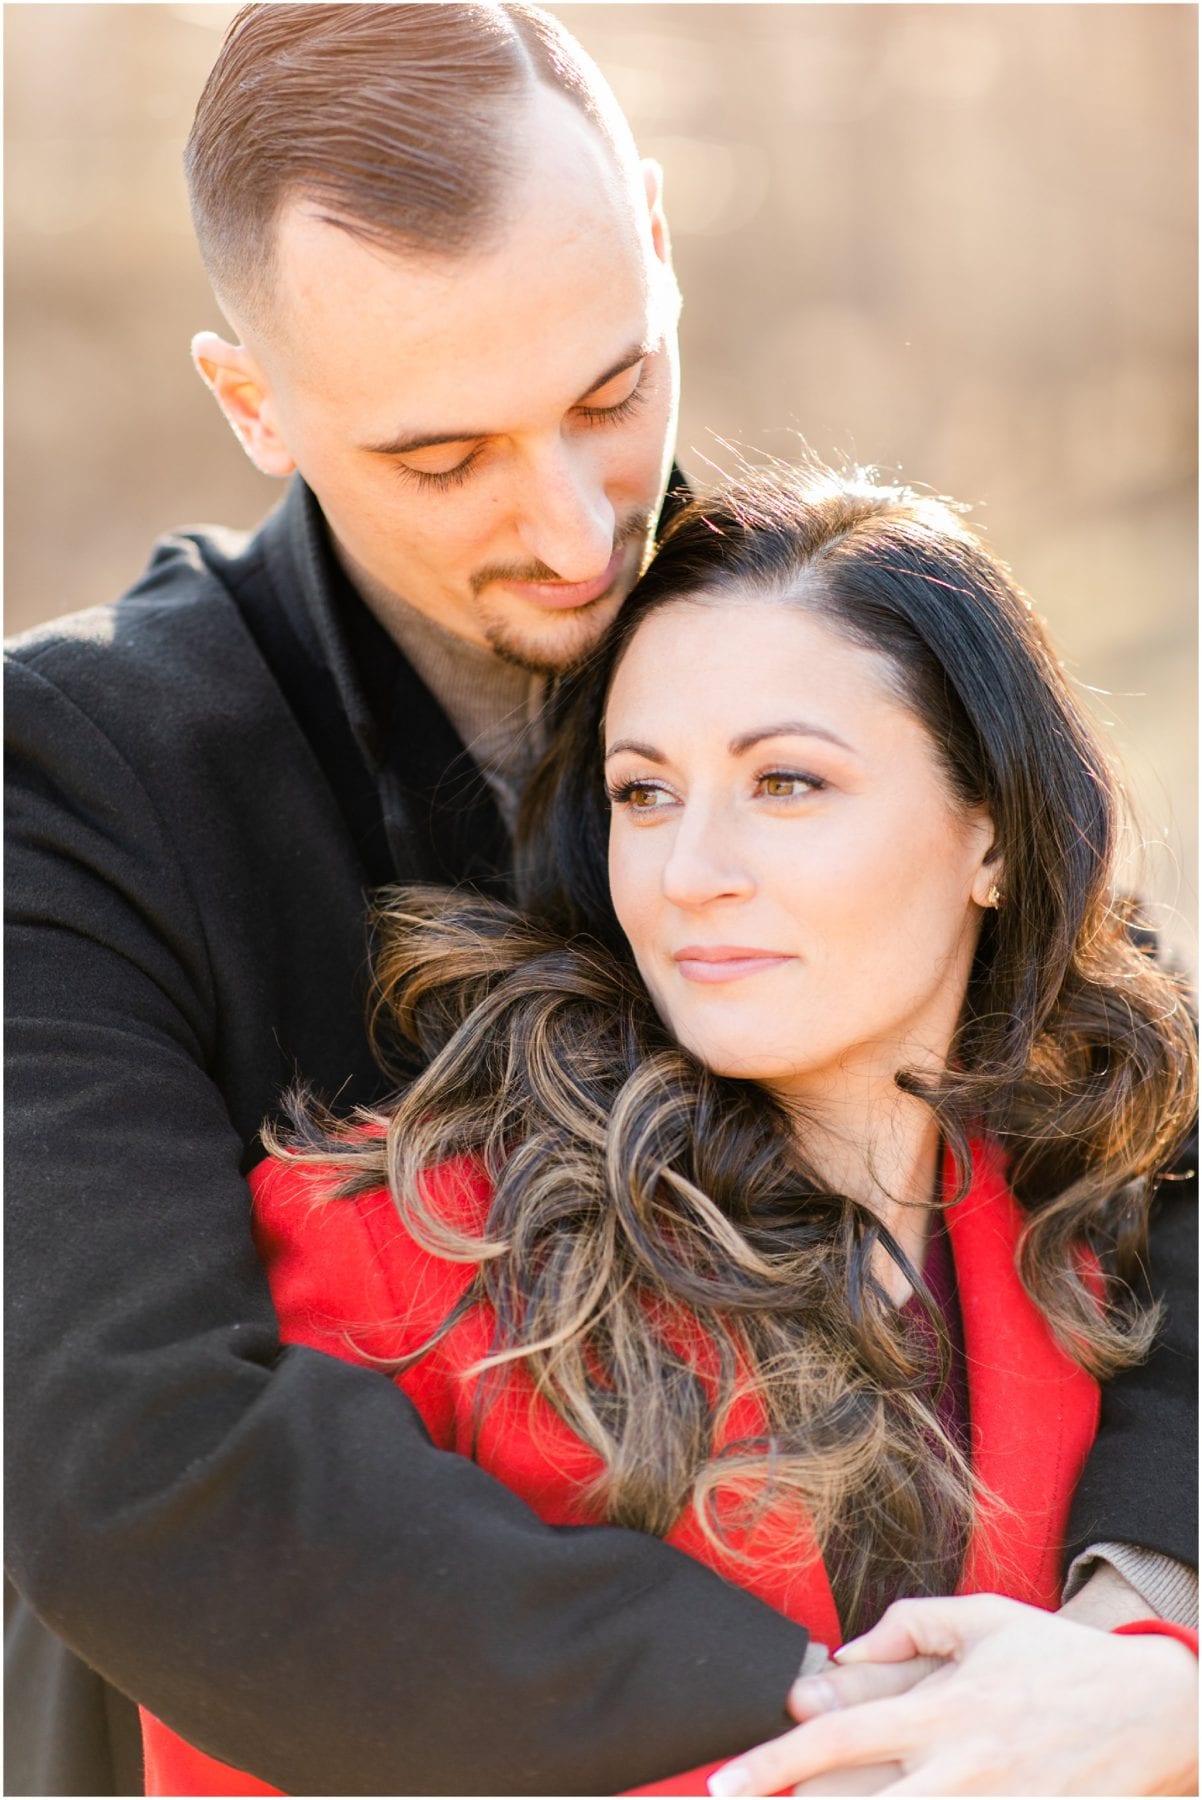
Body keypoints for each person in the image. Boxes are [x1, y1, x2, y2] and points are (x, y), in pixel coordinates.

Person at [4, 6, 1195, 1796]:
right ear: (253, 404)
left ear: (652, 232)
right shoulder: (67, 773)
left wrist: (1132, 1644)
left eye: (609, 394)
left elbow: (1144, 1117)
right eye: (442, 459)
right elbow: (140, 1458)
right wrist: (854, 1733)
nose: (575, 529)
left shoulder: (821, 620)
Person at [135, 466, 1199, 1797]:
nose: (692, 871)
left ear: (989, 833)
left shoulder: (1099, 1212)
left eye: (788, 783)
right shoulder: (399, 1251)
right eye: (644, 794)